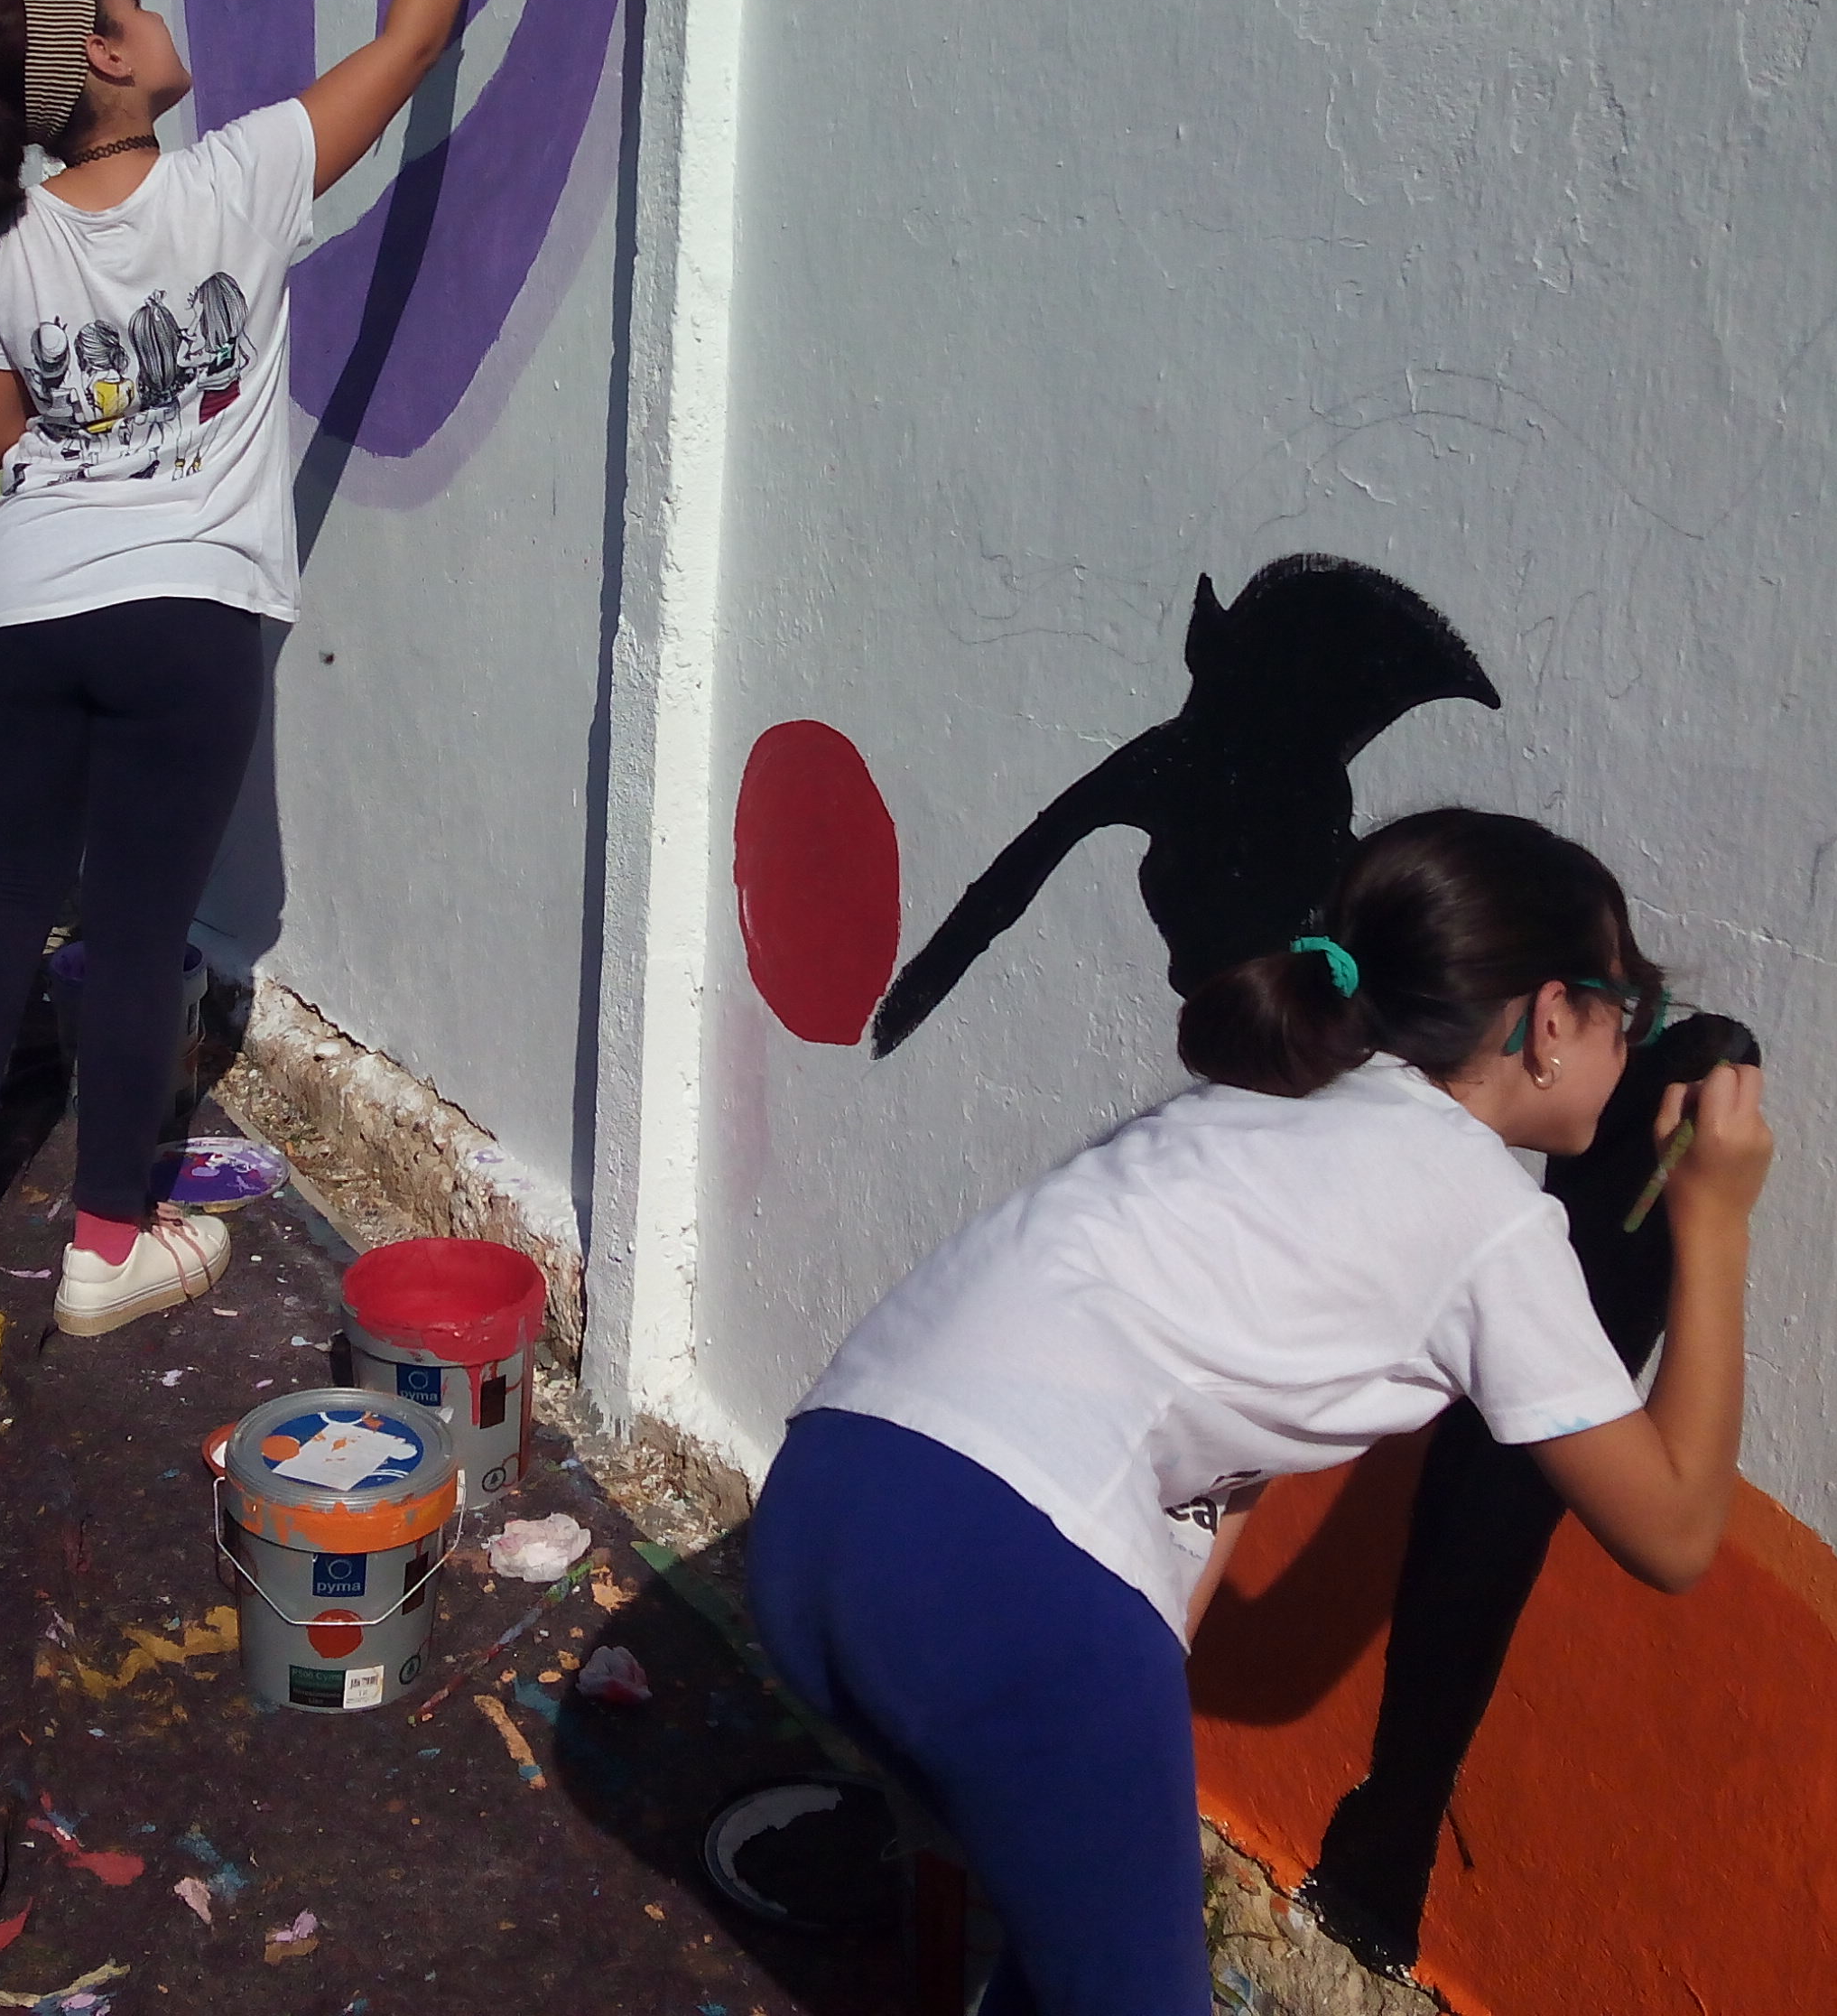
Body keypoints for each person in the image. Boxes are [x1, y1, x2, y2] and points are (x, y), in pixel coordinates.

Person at [744, 809, 1775, 2016]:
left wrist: (1122, 1699)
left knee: (1072, 1945)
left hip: (821, 1512)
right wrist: (1714, 1220)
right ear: (1551, 1021)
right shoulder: (1488, 1217)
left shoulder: (1256, 1104)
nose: (1630, 1042)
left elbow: (1212, 1445)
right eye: (1626, 1010)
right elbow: (1674, 1531)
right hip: (1004, 1574)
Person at [0, 0, 497, 1338]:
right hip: (186, 612)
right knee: (141, 918)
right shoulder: (238, 179)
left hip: (18, 614)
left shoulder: (2, 243)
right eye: (134, 2)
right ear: (107, 54)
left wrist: (86, 406)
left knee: (6, 891)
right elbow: (411, 40)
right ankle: (106, 1245)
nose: (160, 12)